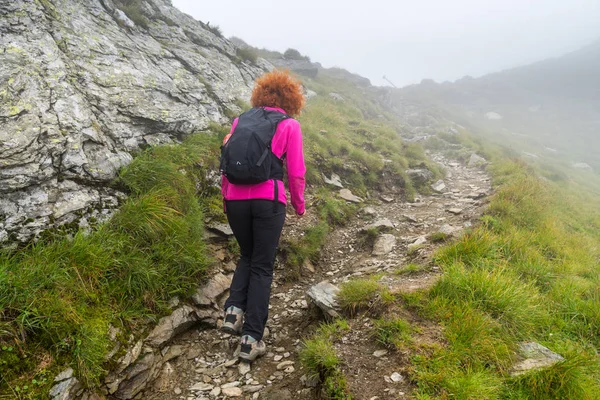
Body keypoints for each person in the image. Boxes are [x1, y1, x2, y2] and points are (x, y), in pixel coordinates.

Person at [220, 70, 306, 362]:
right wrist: (299, 205)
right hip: (267, 200)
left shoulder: (239, 121)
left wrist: (225, 199)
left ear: (260, 94)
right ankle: (251, 339)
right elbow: (295, 172)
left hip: (234, 200)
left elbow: (226, 162)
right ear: (291, 98)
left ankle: (232, 312)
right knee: (262, 267)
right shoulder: (289, 125)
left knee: (247, 255)